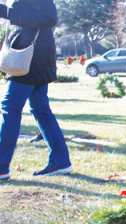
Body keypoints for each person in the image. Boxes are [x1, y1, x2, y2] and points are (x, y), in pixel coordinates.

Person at [0, 0, 73, 181]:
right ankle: (60, 161)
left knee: (10, 106)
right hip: (31, 54)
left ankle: (1, 166)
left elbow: (49, 18)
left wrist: (8, 13)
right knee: (40, 109)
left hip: (31, 56)